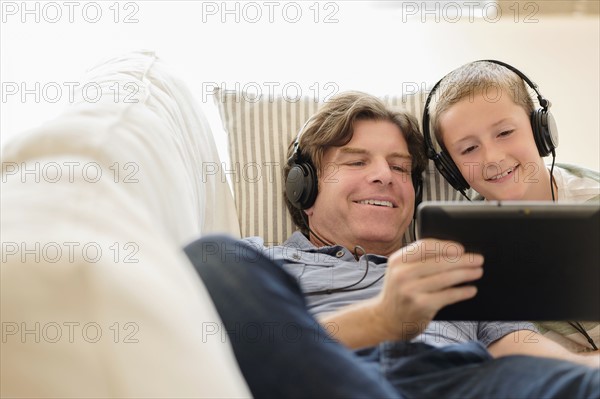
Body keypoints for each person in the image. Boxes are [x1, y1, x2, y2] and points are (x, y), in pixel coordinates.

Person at [184, 91, 599, 398]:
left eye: (400, 168)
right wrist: (382, 318)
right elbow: (216, 353)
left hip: (463, 383)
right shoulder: (263, 265)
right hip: (330, 381)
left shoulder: (455, 262)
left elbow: (529, 353)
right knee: (211, 258)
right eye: (357, 161)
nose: (385, 176)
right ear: (303, 188)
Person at [425, 60, 600, 352]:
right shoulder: (463, 249)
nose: (492, 157)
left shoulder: (592, 197)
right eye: (469, 149)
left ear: (541, 130)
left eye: (505, 132)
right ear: (452, 171)